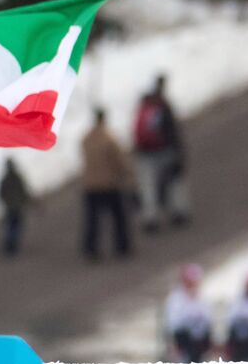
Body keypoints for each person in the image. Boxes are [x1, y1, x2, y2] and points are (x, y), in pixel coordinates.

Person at [132, 74, 189, 231]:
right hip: (165, 150)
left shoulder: (143, 107)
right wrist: (178, 151)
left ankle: (150, 217)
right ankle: (178, 211)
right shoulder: (163, 106)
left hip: (145, 153)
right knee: (173, 183)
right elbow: (172, 132)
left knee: (148, 186)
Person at [81, 108, 133, 259]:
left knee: (92, 220)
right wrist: (126, 175)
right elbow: (120, 161)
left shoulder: (86, 139)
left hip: (91, 185)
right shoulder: (109, 138)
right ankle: (121, 246)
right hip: (109, 184)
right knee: (118, 218)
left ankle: (90, 248)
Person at [164, 262, 213, 363]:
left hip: (200, 341)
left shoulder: (202, 298)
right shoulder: (176, 298)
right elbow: (173, 324)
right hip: (183, 341)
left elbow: (207, 320)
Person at [0, 159, 32, 256]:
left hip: (9, 208)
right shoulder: (17, 178)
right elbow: (24, 192)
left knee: (9, 227)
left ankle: (9, 246)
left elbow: (1, 194)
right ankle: (13, 246)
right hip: (17, 207)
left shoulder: (5, 179)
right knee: (16, 227)